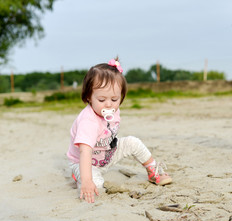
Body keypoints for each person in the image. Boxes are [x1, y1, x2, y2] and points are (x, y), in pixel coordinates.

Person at [67, 58, 172, 203]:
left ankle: (153, 171)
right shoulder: (88, 121)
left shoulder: (113, 111)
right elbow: (85, 152)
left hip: (106, 155)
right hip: (85, 162)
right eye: (102, 100)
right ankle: (80, 176)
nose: (109, 104)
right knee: (95, 185)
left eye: (115, 99)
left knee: (133, 142)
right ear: (88, 97)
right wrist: (87, 180)